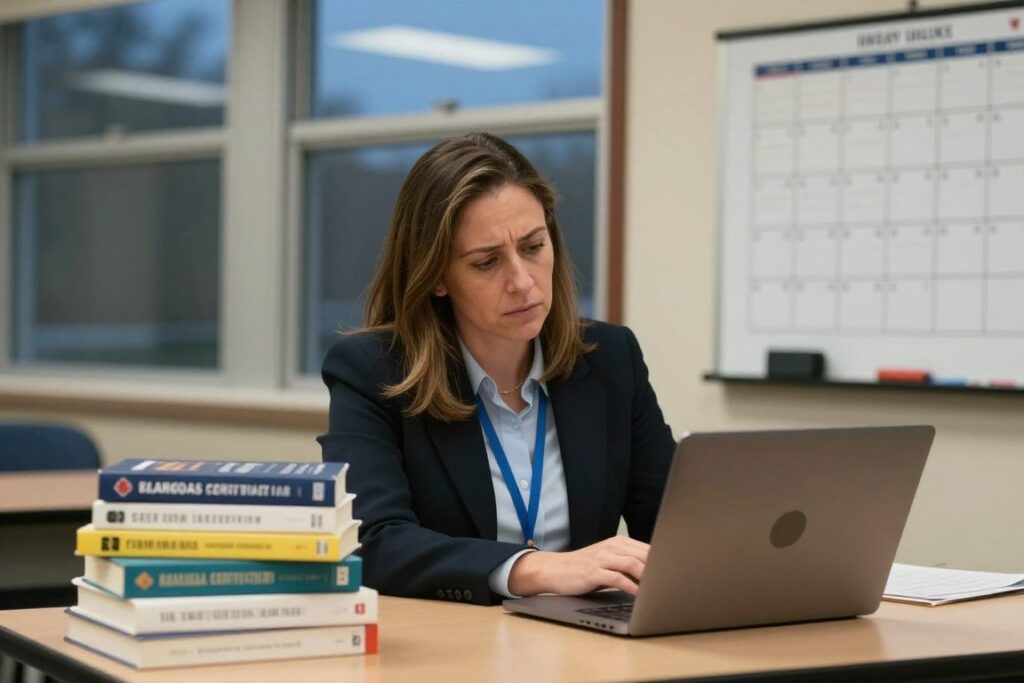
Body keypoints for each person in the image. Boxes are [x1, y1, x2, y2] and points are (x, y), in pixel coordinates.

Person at [319, 132, 675, 606]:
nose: (523, 282)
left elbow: (673, 528)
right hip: (453, 651)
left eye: (533, 247)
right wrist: (535, 568)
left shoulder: (611, 358)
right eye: (487, 262)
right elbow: (374, 542)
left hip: (587, 646)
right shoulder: (373, 371)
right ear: (437, 277)